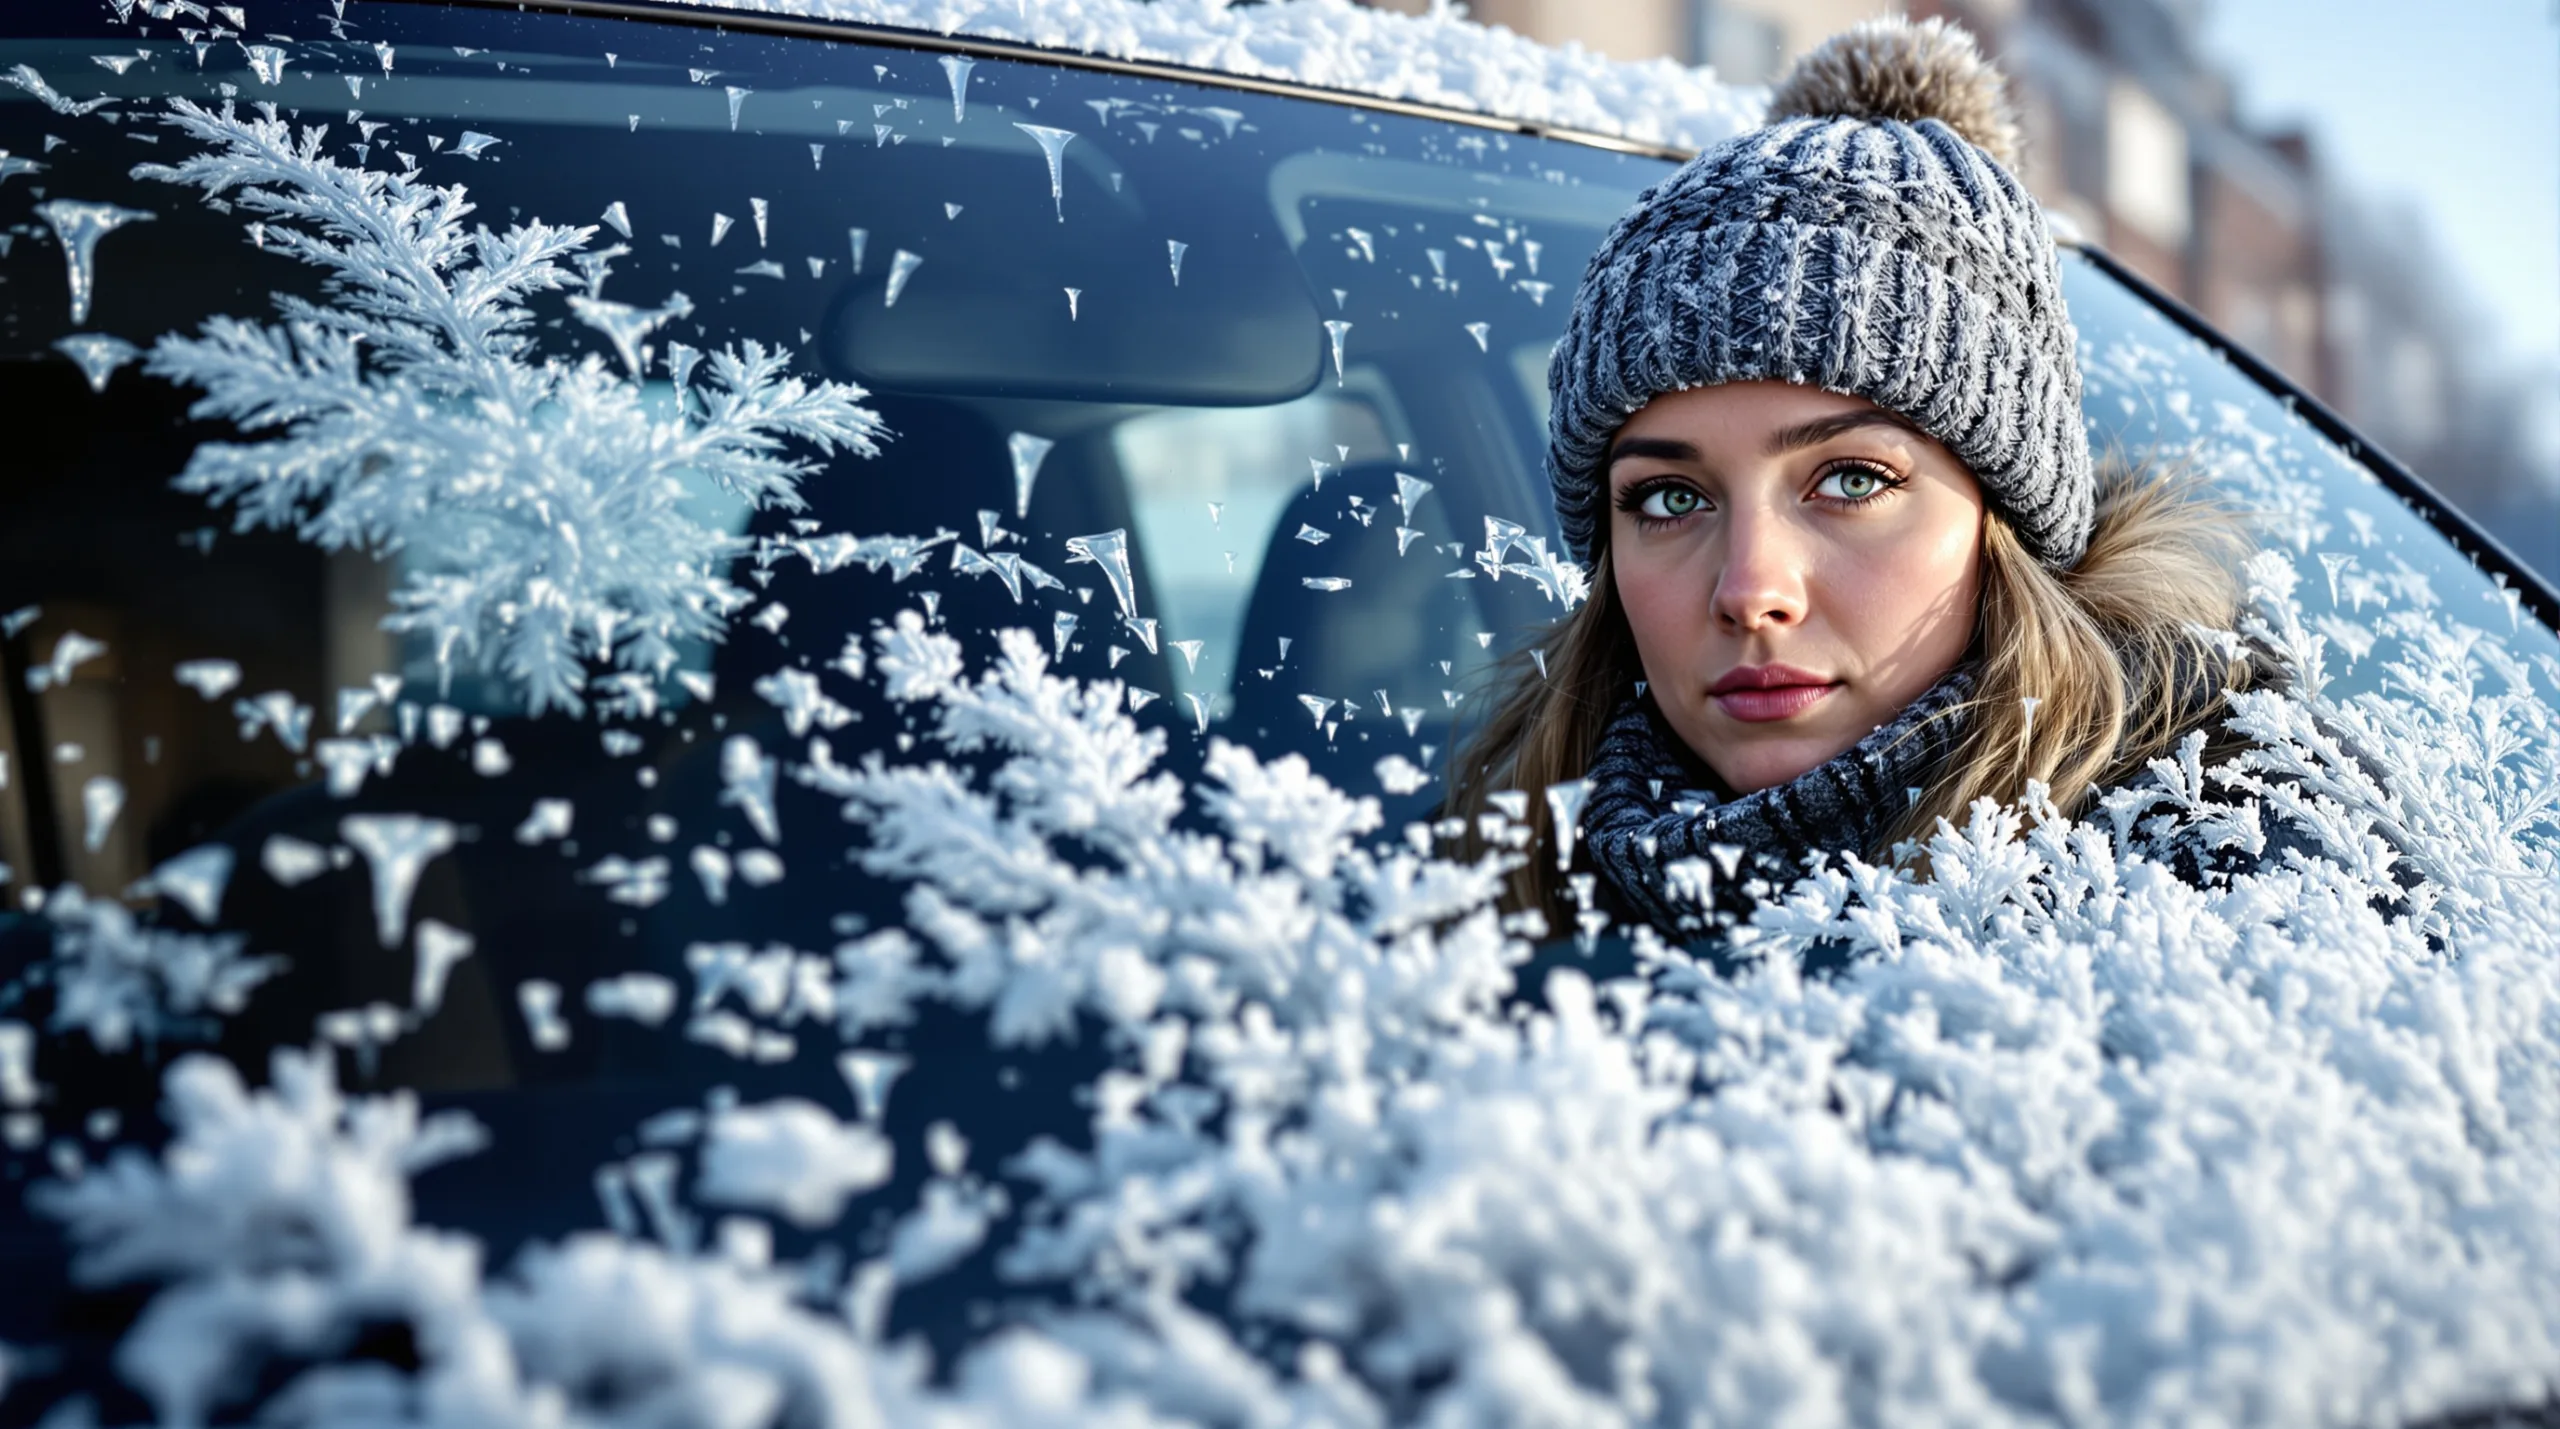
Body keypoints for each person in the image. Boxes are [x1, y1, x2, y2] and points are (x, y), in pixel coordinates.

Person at [1449, 16, 2275, 935]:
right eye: (1671, 499)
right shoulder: (1470, 897)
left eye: (1849, 480)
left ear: (2005, 521)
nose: (1751, 591)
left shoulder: (2233, 870)